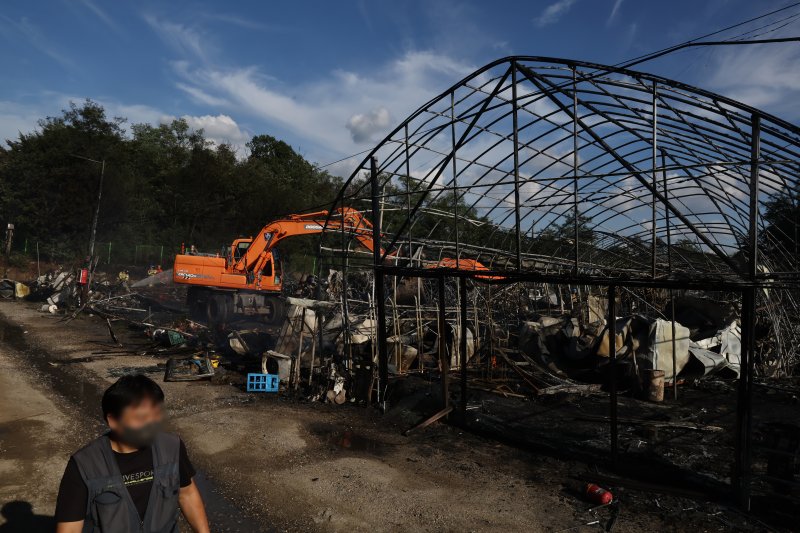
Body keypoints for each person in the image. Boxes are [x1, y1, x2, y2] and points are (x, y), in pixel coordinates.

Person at [55, 375, 210, 533]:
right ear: (113, 420)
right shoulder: (85, 464)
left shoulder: (171, 447)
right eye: (141, 418)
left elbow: (187, 494)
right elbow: (70, 527)